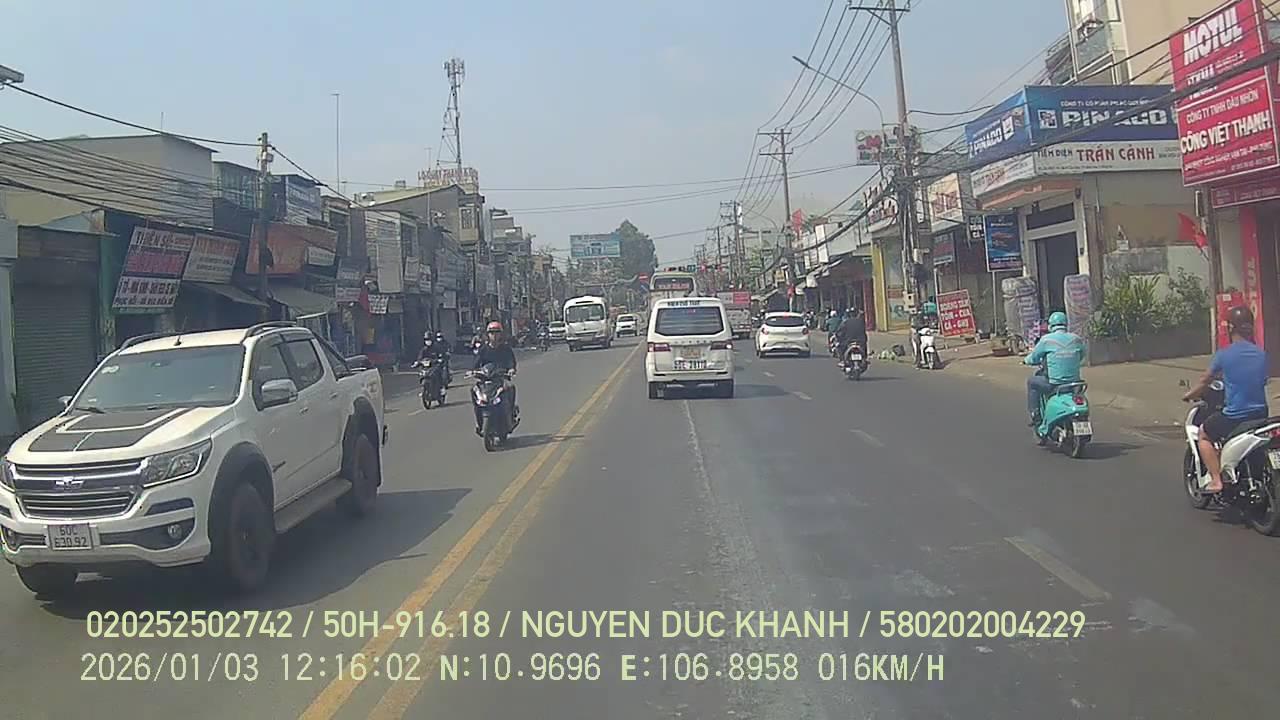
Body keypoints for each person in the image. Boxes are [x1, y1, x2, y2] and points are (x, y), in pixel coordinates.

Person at [1182, 306, 1269, 493]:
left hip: (1235, 415)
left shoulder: (1224, 354)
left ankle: (1216, 480)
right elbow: (1262, 381)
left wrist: (1189, 395)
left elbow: (1205, 380)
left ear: (1230, 328)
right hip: (1261, 414)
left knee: (1204, 434)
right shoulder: (1261, 354)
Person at [1023, 311, 1086, 427]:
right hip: (1074, 384)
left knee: (1032, 382)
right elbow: (1082, 355)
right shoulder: (1076, 339)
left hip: (1054, 384)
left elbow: (1034, 357)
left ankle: (1035, 414)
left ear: (1050, 326)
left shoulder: (1046, 340)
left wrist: (1026, 360)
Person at [473, 321, 518, 426]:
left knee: (511, 387)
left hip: (501, 379)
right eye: (492, 332)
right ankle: (479, 421)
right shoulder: (483, 349)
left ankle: (511, 415)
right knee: (474, 390)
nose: (494, 335)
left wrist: (511, 369)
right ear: (488, 334)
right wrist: (474, 370)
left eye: (497, 332)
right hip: (486, 380)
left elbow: (511, 361)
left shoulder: (505, 349)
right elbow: (476, 363)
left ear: (501, 334)